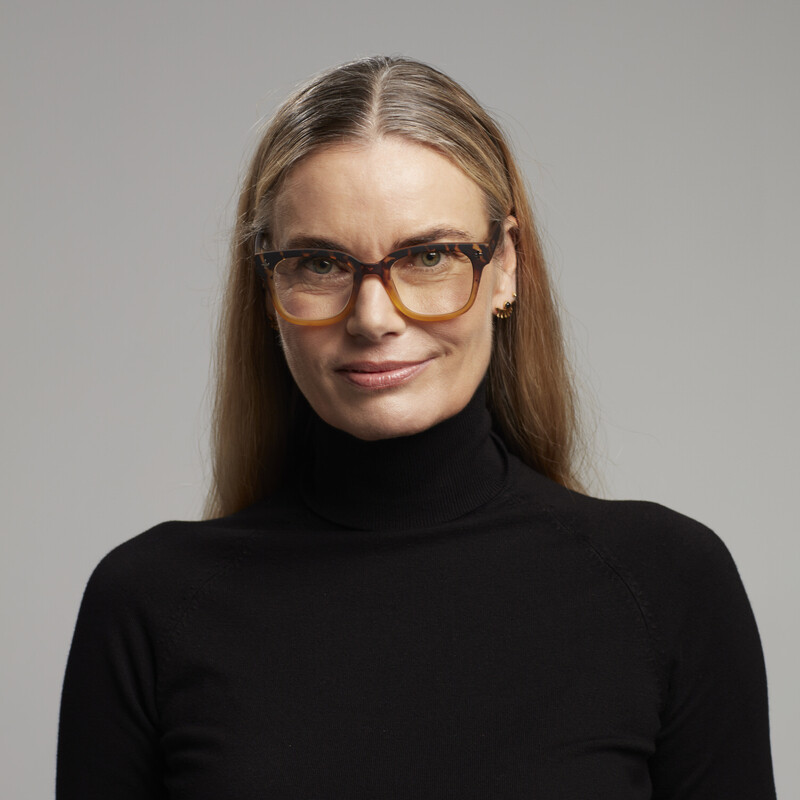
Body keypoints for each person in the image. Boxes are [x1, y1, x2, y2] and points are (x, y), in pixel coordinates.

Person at [57, 56, 776, 798]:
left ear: (505, 266)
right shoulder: (151, 603)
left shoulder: (666, 584)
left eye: (429, 256)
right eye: (320, 263)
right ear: (269, 283)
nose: (374, 318)